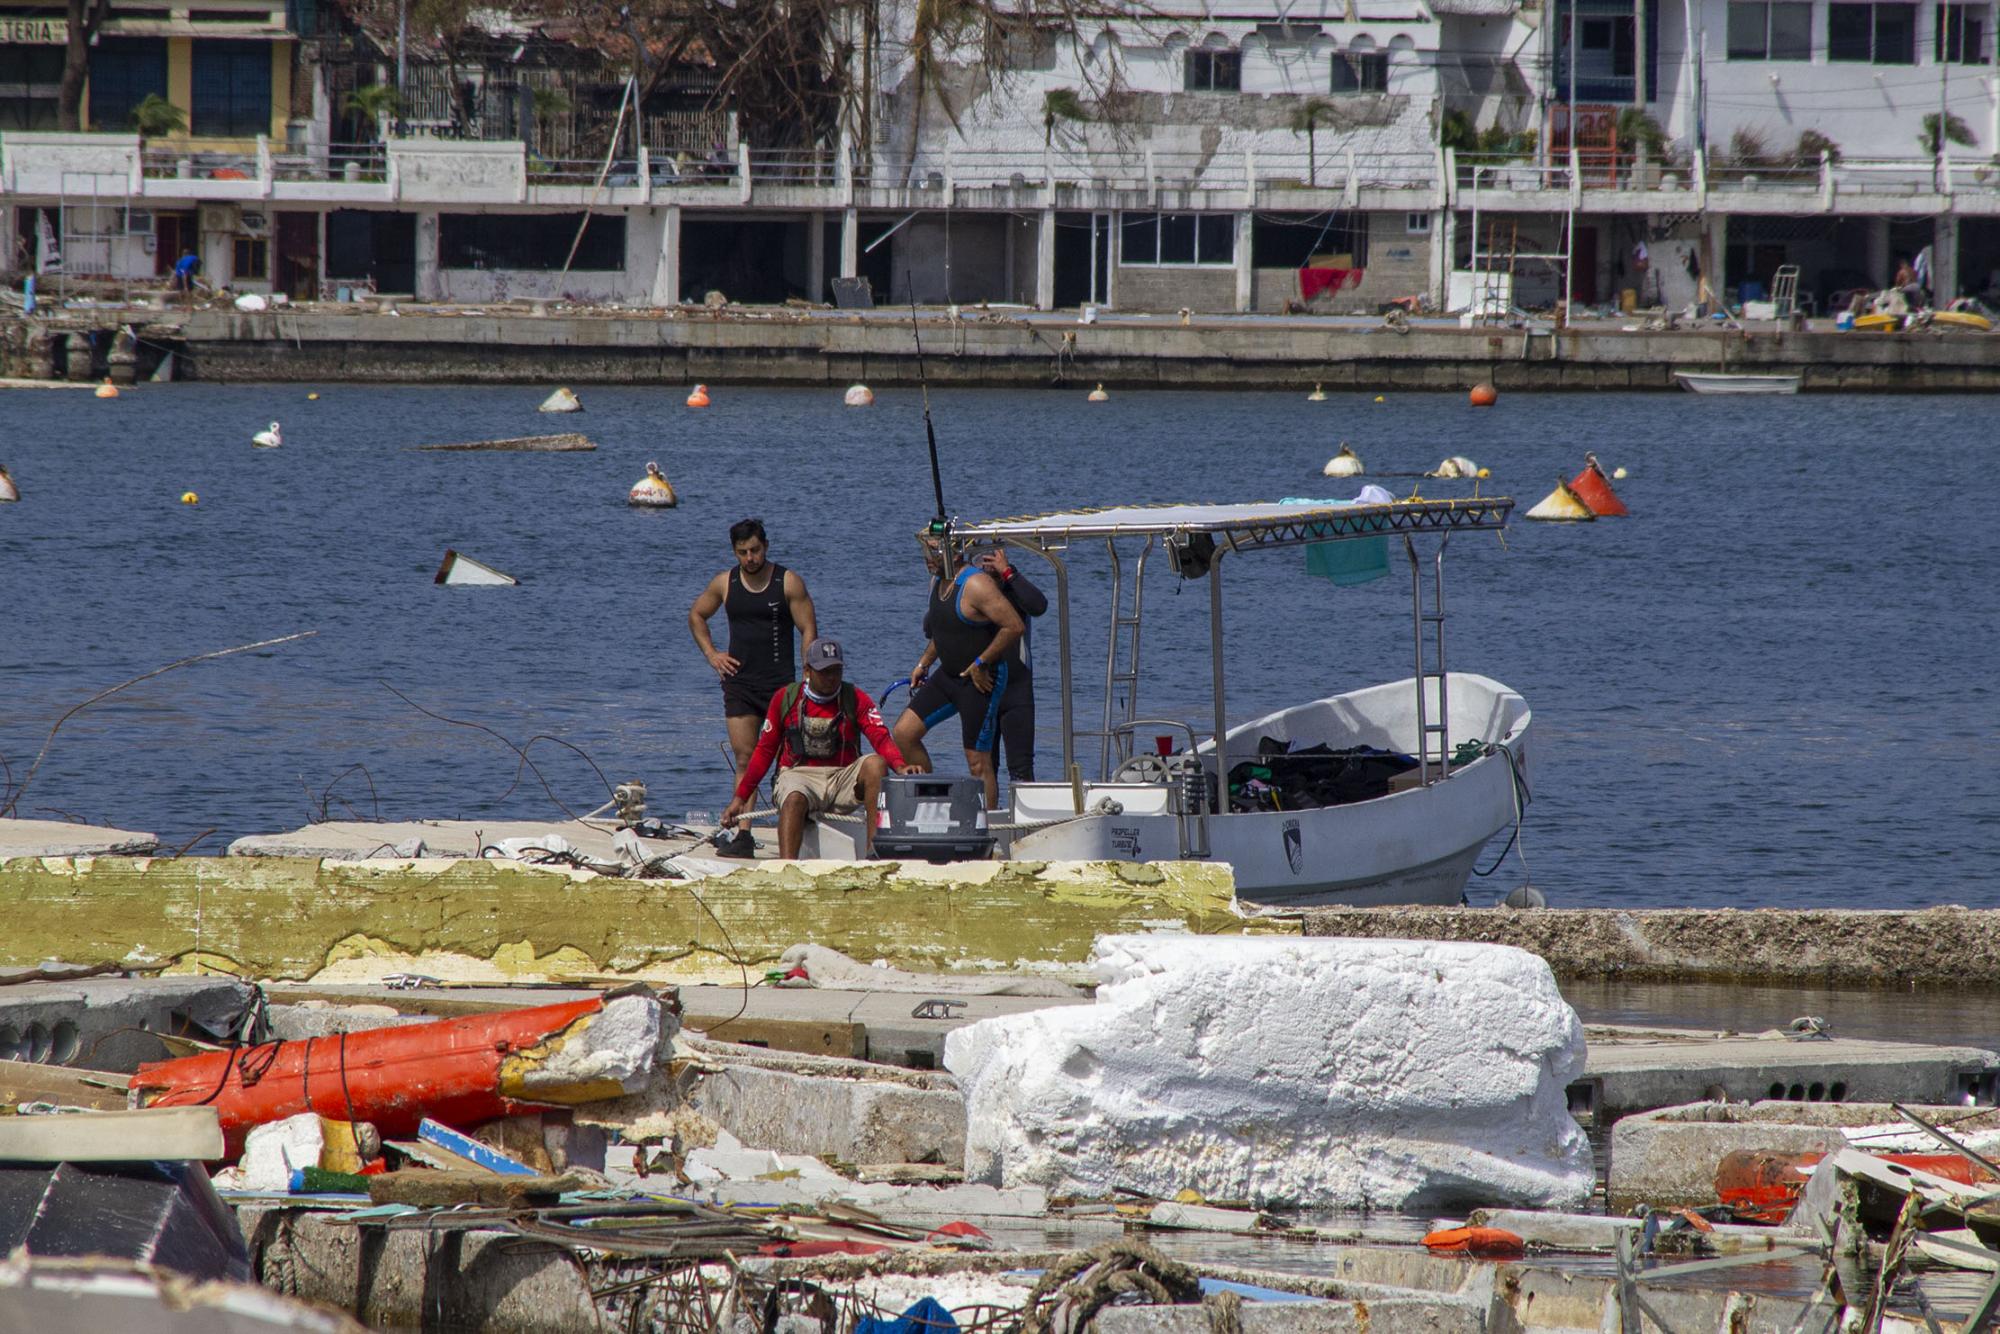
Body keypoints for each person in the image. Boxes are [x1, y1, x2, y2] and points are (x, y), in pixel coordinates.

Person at [721, 638, 917, 858]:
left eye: (836, 670)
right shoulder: (785, 699)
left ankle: (873, 856)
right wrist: (739, 799)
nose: (831, 678)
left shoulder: (855, 698)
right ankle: (787, 867)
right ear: (807, 670)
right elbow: (764, 752)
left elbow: (880, 737)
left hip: (841, 779)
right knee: (794, 796)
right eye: (824, 672)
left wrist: (900, 766)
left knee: (876, 765)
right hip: (798, 776)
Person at [890, 534, 1027, 810]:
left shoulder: (977, 584)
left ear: (953, 554)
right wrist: (923, 664)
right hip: (948, 676)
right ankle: (929, 804)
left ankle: (988, 825)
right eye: (925, 552)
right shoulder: (939, 582)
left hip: (980, 681)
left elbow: (1014, 626)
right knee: (904, 733)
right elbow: (943, 632)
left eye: (933, 553)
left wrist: (981, 662)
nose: (927, 560)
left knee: (977, 760)